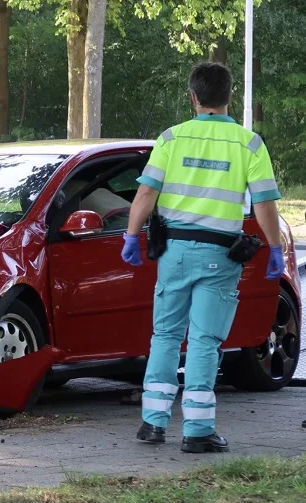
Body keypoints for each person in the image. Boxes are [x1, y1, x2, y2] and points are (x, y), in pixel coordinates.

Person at [120, 62, 284, 453]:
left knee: (165, 335)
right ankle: (197, 431)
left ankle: (152, 423)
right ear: (229, 96)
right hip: (219, 255)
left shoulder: (171, 139)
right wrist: (275, 246)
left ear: (193, 96)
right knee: (205, 341)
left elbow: (145, 194)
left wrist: (129, 236)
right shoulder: (249, 144)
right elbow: (264, 203)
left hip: (173, 252)